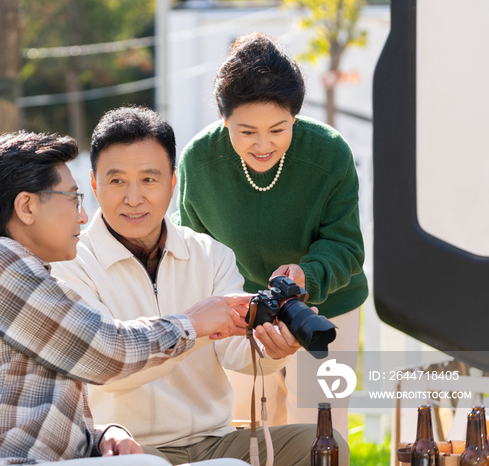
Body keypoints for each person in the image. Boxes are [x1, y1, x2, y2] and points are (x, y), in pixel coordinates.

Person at [0, 131, 254, 466]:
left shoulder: (19, 271)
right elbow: (106, 352)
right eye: (73, 198)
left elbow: (33, 411)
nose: (83, 216)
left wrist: (102, 434)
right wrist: (193, 323)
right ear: (27, 207)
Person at [52, 106, 349, 466]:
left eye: (149, 179)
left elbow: (238, 351)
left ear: (173, 182)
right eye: (117, 181)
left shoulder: (209, 254)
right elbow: (104, 370)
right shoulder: (70, 263)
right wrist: (194, 325)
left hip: (216, 441)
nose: (133, 198)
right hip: (130, 446)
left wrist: (273, 350)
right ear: (95, 184)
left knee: (321, 443)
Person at [173, 32, 369, 441]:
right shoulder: (200, 161)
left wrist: (306, 275)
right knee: (251, 428)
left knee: (320, 429)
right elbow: (191, 247)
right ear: (224, 119)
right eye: (246, 132)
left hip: (324, 308)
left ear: (295, 117)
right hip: (242, 313)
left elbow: (347, 247)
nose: (263, 145)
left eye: (278, 130)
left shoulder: (329, 153)